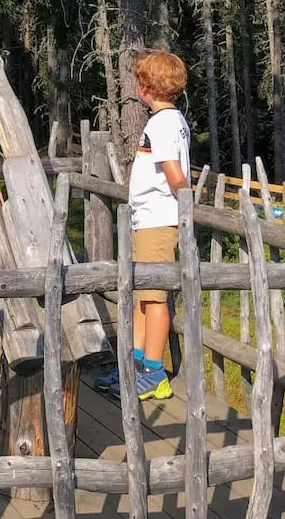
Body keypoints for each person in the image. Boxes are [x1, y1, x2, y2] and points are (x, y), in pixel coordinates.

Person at [96, 50, 190, 401]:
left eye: (140, 80)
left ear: (147, 87)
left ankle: (153, 371)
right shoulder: (172, 120)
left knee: (154, 299)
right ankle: (134, 365)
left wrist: (187, 206)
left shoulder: (162, 124)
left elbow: (174, 174)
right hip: (150, 220)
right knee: (142, 295)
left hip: (158, 220)